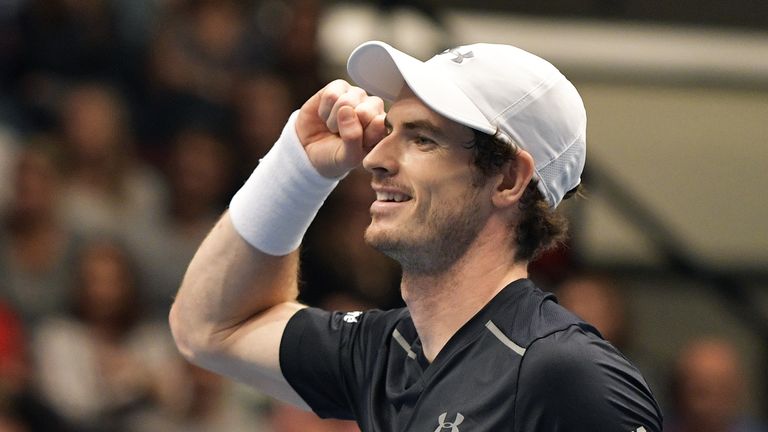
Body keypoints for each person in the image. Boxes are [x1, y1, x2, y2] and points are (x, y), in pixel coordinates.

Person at [170, 41, 663, 431]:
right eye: (390, 130)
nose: (374, 158)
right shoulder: (384, 351)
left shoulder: (566, 372)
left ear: (508, 180)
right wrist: (297, 168)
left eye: (423, 139)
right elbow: (208, 328)